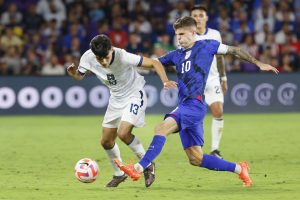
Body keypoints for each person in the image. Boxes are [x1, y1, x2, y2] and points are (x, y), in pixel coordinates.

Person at [114, 16, 278, 187]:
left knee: (161, 128)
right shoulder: (176, 55)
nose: (179, 38)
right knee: (195, 158)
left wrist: (259, 63)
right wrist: (124, 61)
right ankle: (240, 169)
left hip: (195, 104)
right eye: (177, 34)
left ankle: (139, 168)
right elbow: (153, 63)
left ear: (193, 32)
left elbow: (235, 50)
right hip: (186, 105)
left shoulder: (207, 45)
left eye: (182, 34)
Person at [67, 34, 176, 188]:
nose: (103, 62)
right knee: (106, 142)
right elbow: (80, 76)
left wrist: (165, 80)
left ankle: (148, 163)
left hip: (134, 95)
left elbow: (154, 62)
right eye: (99, 59)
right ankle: (119, 174)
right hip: (115, 100)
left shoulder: (123, 56)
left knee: (123, 133)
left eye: (106, 57)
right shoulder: (88, 57)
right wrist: (74, 75)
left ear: (111, 49)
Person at [191, 5, 227, 158]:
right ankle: (194, 148)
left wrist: (223, 77)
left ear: (206, 18)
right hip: (194, 81)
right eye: (195, 15)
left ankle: (215, 149)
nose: (197, 18)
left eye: (200, 15)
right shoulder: (187, 35)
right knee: (193, 115)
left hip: (212, 79)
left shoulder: (215, 34)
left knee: (218, 111)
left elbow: (220, 57)